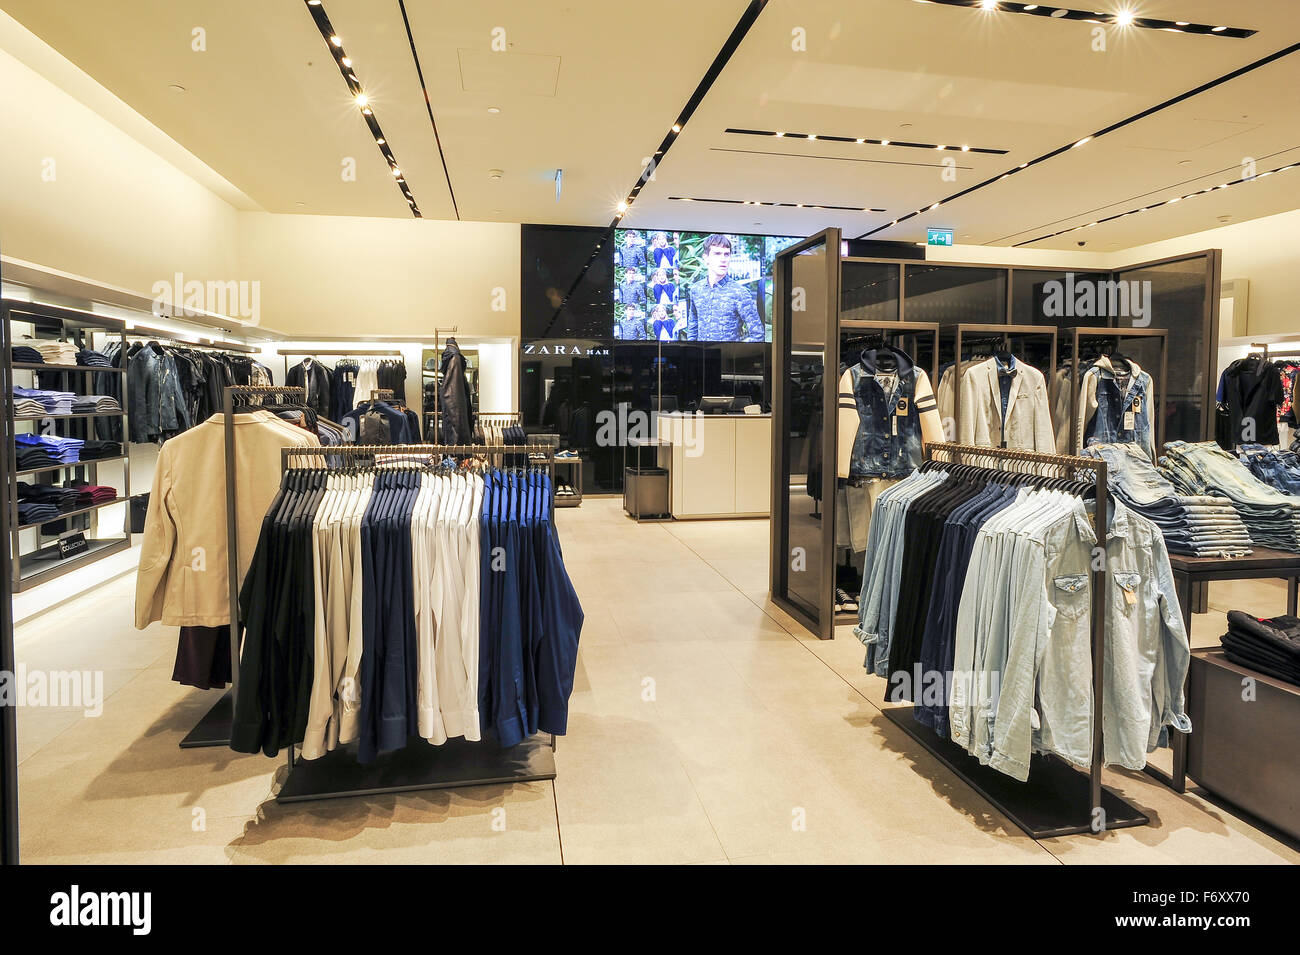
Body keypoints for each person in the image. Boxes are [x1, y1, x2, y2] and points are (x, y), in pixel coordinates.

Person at [685, 234, 763, 341]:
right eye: (717, 254)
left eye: (726, 254)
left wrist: (735, 351)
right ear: (706, 258)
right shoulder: (696, 290)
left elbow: (758, 334)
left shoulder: (740, 293)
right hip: (699, 356)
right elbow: (693, 326)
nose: (723, 259)